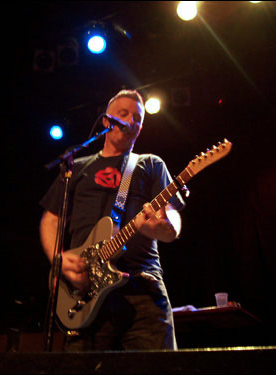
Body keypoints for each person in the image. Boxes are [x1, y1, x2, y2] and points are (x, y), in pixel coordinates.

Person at [39, 89, 185, 351]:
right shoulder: (77, 167)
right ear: (106, 121)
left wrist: (158, 227)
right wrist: (57, 259)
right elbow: (50, 219)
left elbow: (171, 224)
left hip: (143, 292)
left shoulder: (150, 164)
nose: (130, 121)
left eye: (137, 119)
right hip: (83, 291)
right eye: (123, 114)